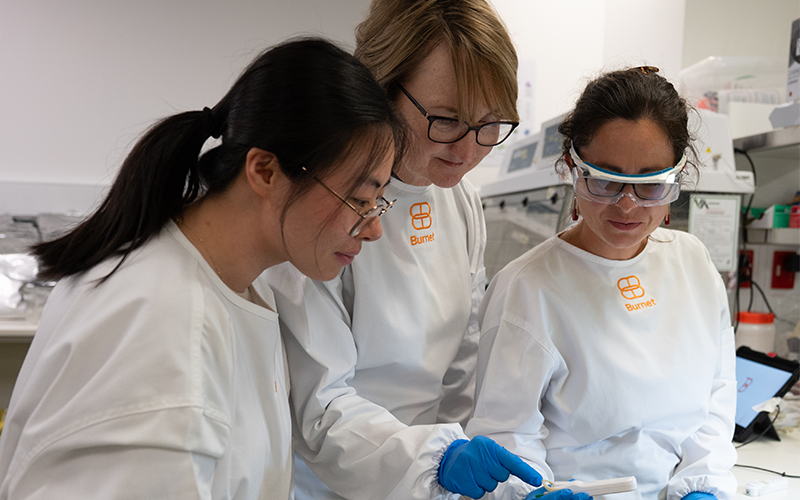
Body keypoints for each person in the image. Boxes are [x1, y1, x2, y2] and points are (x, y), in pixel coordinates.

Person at [0, 38, 403, 500]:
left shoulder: (238, 285)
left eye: (377, 201)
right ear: (266, 172)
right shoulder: (163, 323)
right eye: (358, 199)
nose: (372, 229)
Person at [256, 2, 588, 500]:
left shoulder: (460, 198)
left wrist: (502, 487)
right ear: (381, 89)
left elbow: (463, 370)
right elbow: (320, 410)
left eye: (489, 124)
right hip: (336, 480)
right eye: (447, 119)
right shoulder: (322, 206)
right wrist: (437, 460)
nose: (467, 150)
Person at [465, 66, 738, 500]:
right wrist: (528, 493)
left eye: (650, 184)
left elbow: (716, 396)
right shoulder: (526, 288)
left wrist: (701, 486)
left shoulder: (693, 262)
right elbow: (505, 435)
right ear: (573, 165)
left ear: (676, 178)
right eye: (606, 180)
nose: (627, 206)